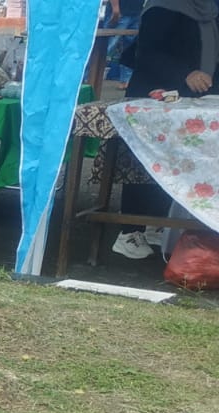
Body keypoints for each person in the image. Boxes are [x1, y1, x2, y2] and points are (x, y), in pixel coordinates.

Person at [112, 0, 217, 260]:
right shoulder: (162, 8)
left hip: (191, 104)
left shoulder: (211, 11)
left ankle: (157, 224)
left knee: (177, 163)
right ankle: (129, 231)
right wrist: (186, 74)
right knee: (144, 161)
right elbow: (147, 54)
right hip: (154, 97)